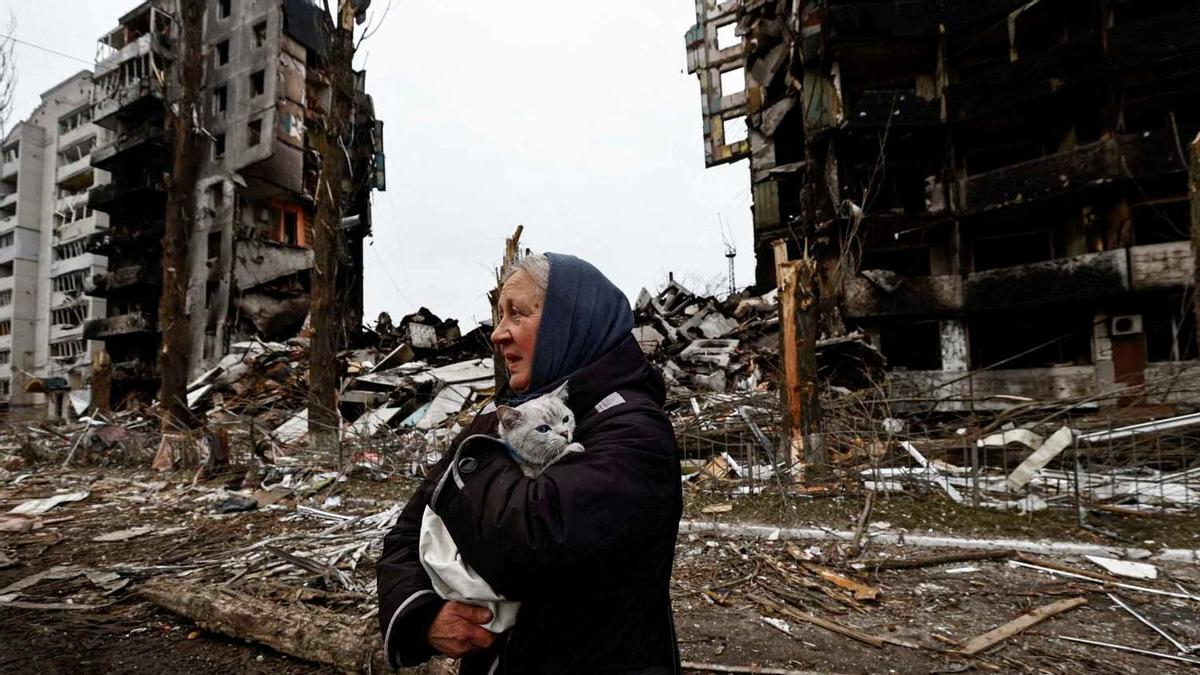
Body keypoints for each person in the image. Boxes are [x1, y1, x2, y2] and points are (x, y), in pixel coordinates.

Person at [377, 252, 683, 674]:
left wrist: (474, 456)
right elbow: (408, 533)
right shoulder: (506, 417)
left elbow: (527, 544)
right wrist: (421, 614)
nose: (498, 334)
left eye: (516, 314)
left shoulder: (634, 432)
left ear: (570, 322)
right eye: (499, 315)